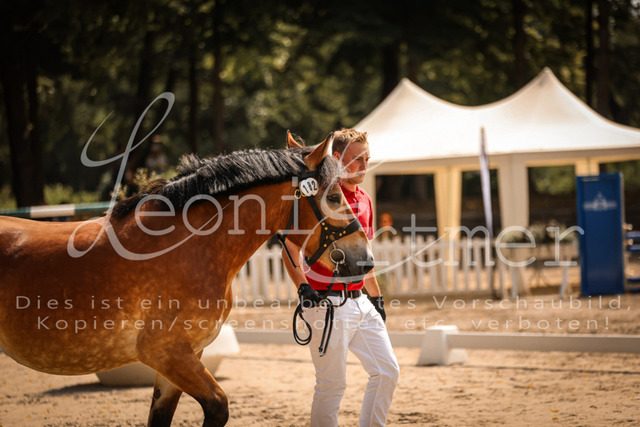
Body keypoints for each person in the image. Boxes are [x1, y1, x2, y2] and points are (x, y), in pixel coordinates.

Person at [282, 128, 400, 427]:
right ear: (336, 158)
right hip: (326, 304)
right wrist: (303, 288)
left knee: (387, 372)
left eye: (367, 159)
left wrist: (377, 298)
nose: (364, 165)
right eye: (357, 159)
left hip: (361, 302)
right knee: (331, 386)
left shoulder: (365, 200)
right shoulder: (320, 197)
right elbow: (290, 246)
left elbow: (363, 256)